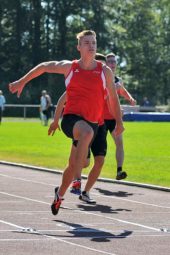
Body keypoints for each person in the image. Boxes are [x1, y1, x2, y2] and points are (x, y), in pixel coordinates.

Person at [9, 30, 124, 214]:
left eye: (94, 42)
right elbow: (45, 66)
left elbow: (113, 100)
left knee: (72, 165)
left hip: (93, 122)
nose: (91, 46)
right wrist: (22, 82)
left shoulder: (105, 72)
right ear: (79, 47)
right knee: (86, 133)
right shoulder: (70, 67)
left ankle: (59, 195)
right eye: (86, 42)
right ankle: (78, 181)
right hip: (71, 119)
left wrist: (119, 122)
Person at [105, 53, 136, 180]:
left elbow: (122, 90)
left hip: (113, 118)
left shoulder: (118, 80)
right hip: (99, 118)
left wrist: (130, 98)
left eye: (114, 62)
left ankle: (119, 171)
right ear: (105, 64)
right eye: (109, 62)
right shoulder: (101, 78)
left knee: (119, 143)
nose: (112, 64)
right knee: (94, 147)